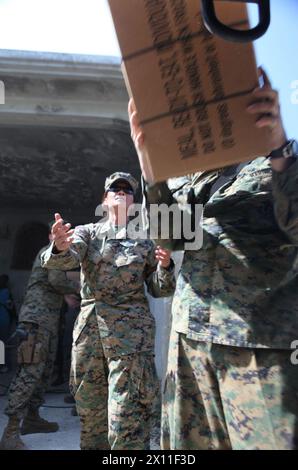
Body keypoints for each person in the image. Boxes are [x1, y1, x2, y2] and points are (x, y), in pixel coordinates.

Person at [129, 68, 298, 450]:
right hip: (189, 346)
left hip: (257, 351)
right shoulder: (193, 180)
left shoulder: (278, 161)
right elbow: (170, 236)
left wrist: (279, 148)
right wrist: (149, 165)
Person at [41, 172, 176, 450]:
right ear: (105, 198)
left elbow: (159, 289)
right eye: (115, 189)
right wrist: (58, 246)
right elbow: (63, 258)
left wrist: (165, 268)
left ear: (134, 202)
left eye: (128, 190)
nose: (122, 192)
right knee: (91, 418)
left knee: (127, 418)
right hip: (90, 339)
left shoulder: (146, 240)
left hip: (131, 341)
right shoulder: (87, 233)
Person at [0, 223, 79, 450]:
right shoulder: (49, 252)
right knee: (29, 374)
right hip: (36, 322)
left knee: (42, 374)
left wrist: (66, 296)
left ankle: (32, 419)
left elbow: (53, 283)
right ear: (51, 236)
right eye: (59, 235)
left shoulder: (57, 257)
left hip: (48, 323)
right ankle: (10, 431)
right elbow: (56, 281)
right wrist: (78, 290)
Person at [0, 274, 16, 373]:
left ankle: (3, 365)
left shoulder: (5, 292)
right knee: (3, 344)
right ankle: (4, 365)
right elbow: (11, 308)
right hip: (4, 321)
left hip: (3, 321)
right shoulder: (7, 292)